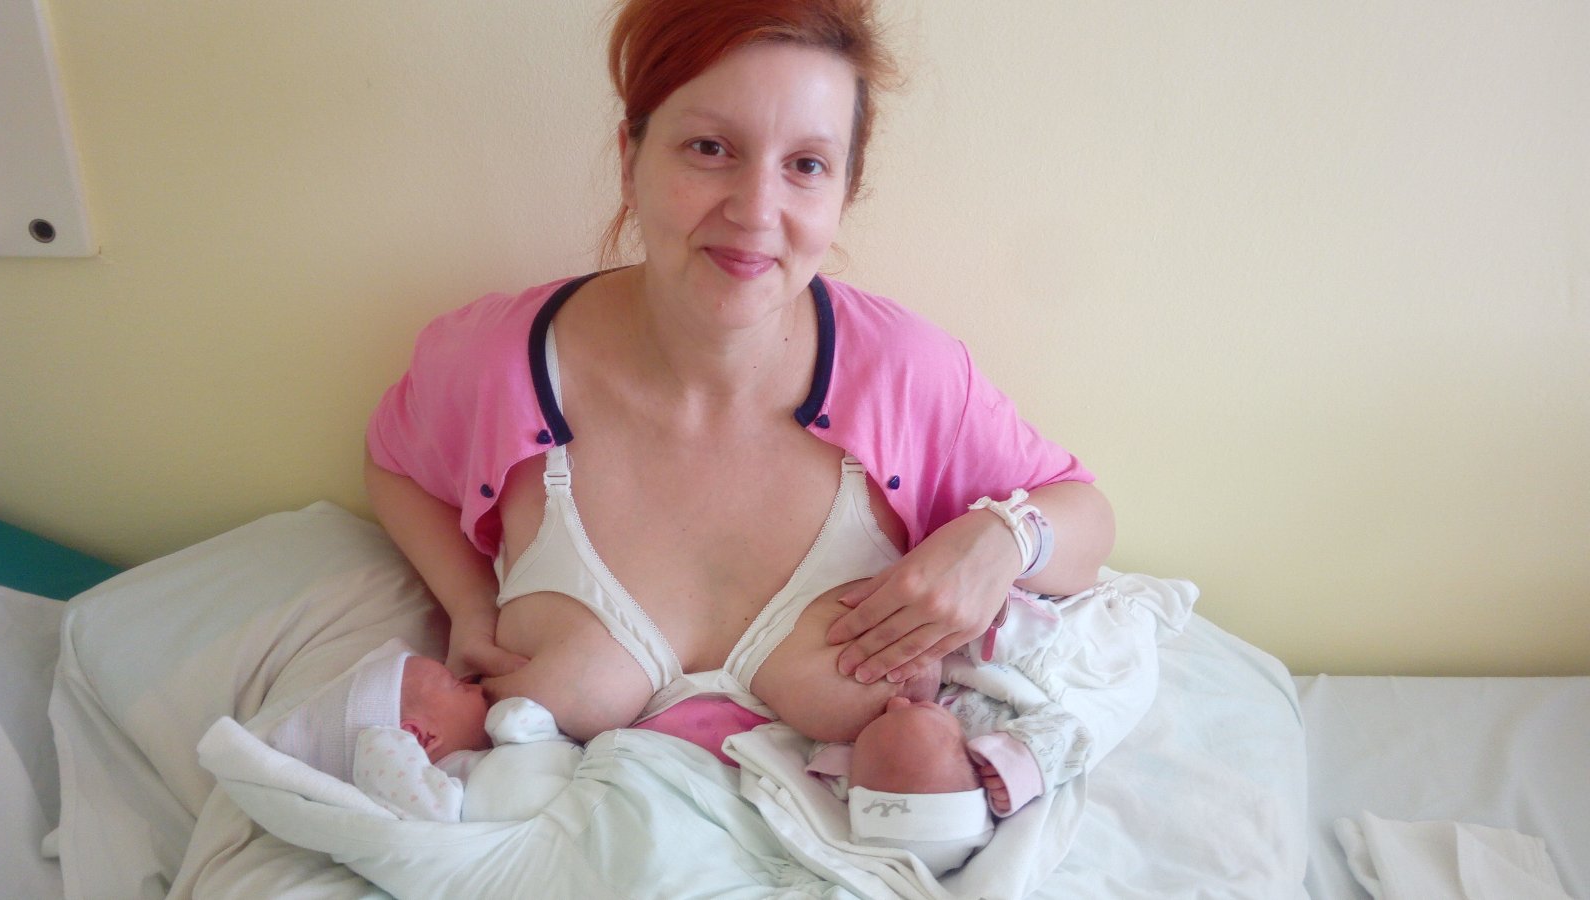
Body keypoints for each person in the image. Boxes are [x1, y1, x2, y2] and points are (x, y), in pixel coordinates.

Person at [364, 0, 1114, 755]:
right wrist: (469, 606)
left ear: (844, 192)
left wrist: (1004, 540)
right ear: (630, 161)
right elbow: (394, 465)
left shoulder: (907, 375)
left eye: (806, 165)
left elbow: (1084, 517)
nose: (756, 211)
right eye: (710, 148)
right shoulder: (500, 364)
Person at [746, 571, 1194, 876]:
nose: (896, 702)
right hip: (1068, 671)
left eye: (881, 723)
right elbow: (1069, 735)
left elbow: (827, 761)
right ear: (970, 763)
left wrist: (843, 755)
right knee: (1113, 665)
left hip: (1001, 640)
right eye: (919, 714)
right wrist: (1018, 763)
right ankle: (1145, 609)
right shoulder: (988, 746)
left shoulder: (868, 768)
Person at [266, 639, 583, 823]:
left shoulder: (494, 750)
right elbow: (434, 816)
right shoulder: (436, 795)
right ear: (421, 737)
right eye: (457, 685)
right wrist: (382, 745)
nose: (477, 686)